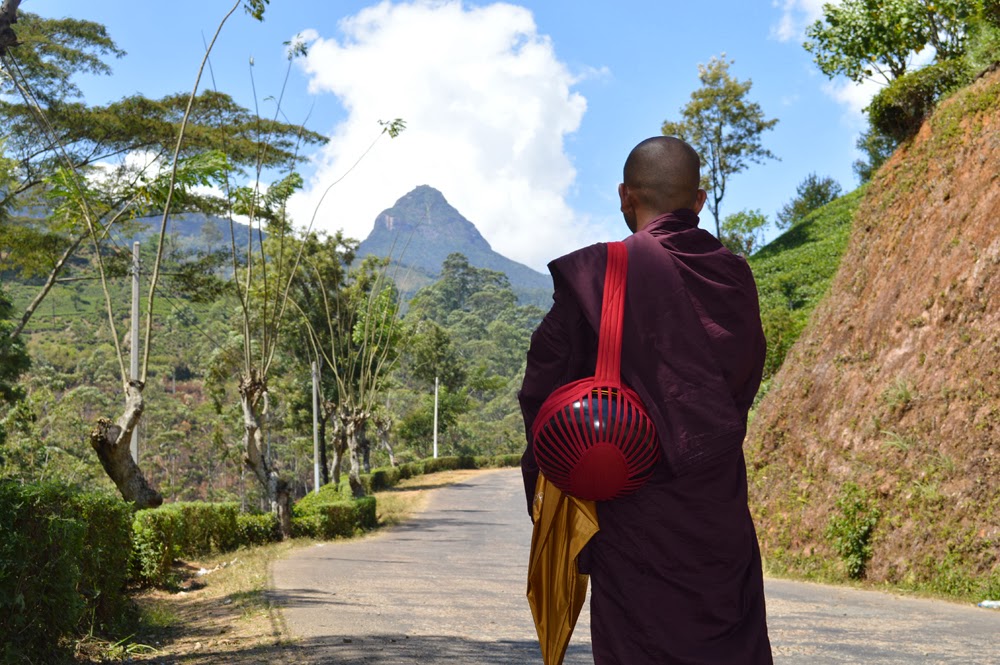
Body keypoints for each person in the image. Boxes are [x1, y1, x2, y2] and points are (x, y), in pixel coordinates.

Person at [519, 136, 773, 663]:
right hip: (716, 512)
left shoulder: (602, 274)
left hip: (634, 515)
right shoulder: (734, 278)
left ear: (624, 196)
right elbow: (744, 378)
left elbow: (544, 393)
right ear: (698, 200)